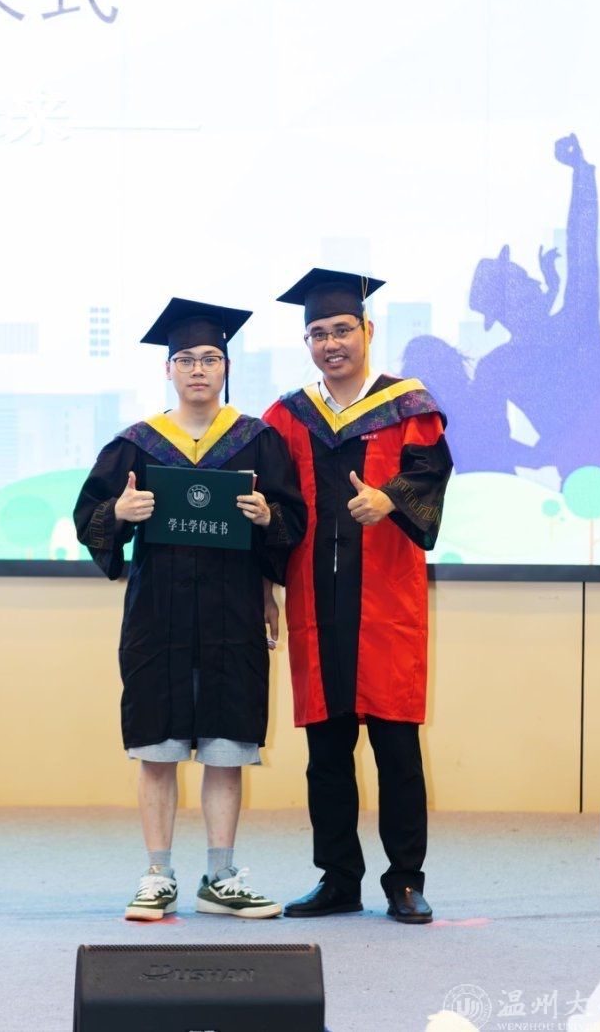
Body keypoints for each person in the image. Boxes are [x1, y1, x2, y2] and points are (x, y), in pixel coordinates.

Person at [74, 297, 306, 922]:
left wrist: (269, 518)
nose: (198, 369)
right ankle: (157, 875)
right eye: (186, 360)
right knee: (158, 746)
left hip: (233, 614)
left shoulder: (258, 440)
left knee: (227, 749)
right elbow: (89, 518)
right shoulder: (136, 444)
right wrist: (119, 513)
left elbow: (292, 522)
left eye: (210, 358)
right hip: (159, 616)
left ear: (226, 367)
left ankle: (220, 876)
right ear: (168, 369)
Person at [263, 268, 452, 924]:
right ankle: (338, 879)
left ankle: (405, 882)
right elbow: (275, 503)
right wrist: (265, 584)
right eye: (317, 333)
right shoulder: (288, 417)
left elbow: (430, 473)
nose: (331, 343)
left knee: (398, 750)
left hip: (386, 605)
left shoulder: (408, 406)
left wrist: (390, 498)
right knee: (326, 755)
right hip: (316, 605)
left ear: (368, 330)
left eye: (341, 329)